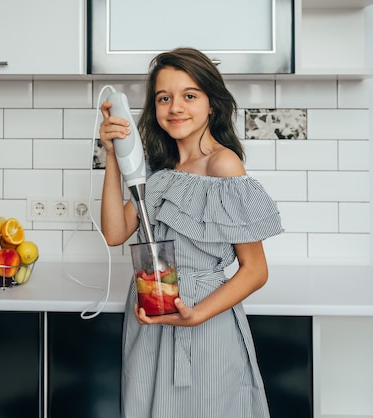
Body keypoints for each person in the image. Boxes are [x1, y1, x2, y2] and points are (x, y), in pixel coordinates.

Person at [98, 47, 283, 417]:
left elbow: (255, 270)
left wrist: (195, 315)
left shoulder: (223, 164)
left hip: (204, 320)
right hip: (149, 314)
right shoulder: (160, 170)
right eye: (164, 98)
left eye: (189, 95)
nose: (175, 107)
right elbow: (115, 233)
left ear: (211, 104)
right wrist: (113, 156)